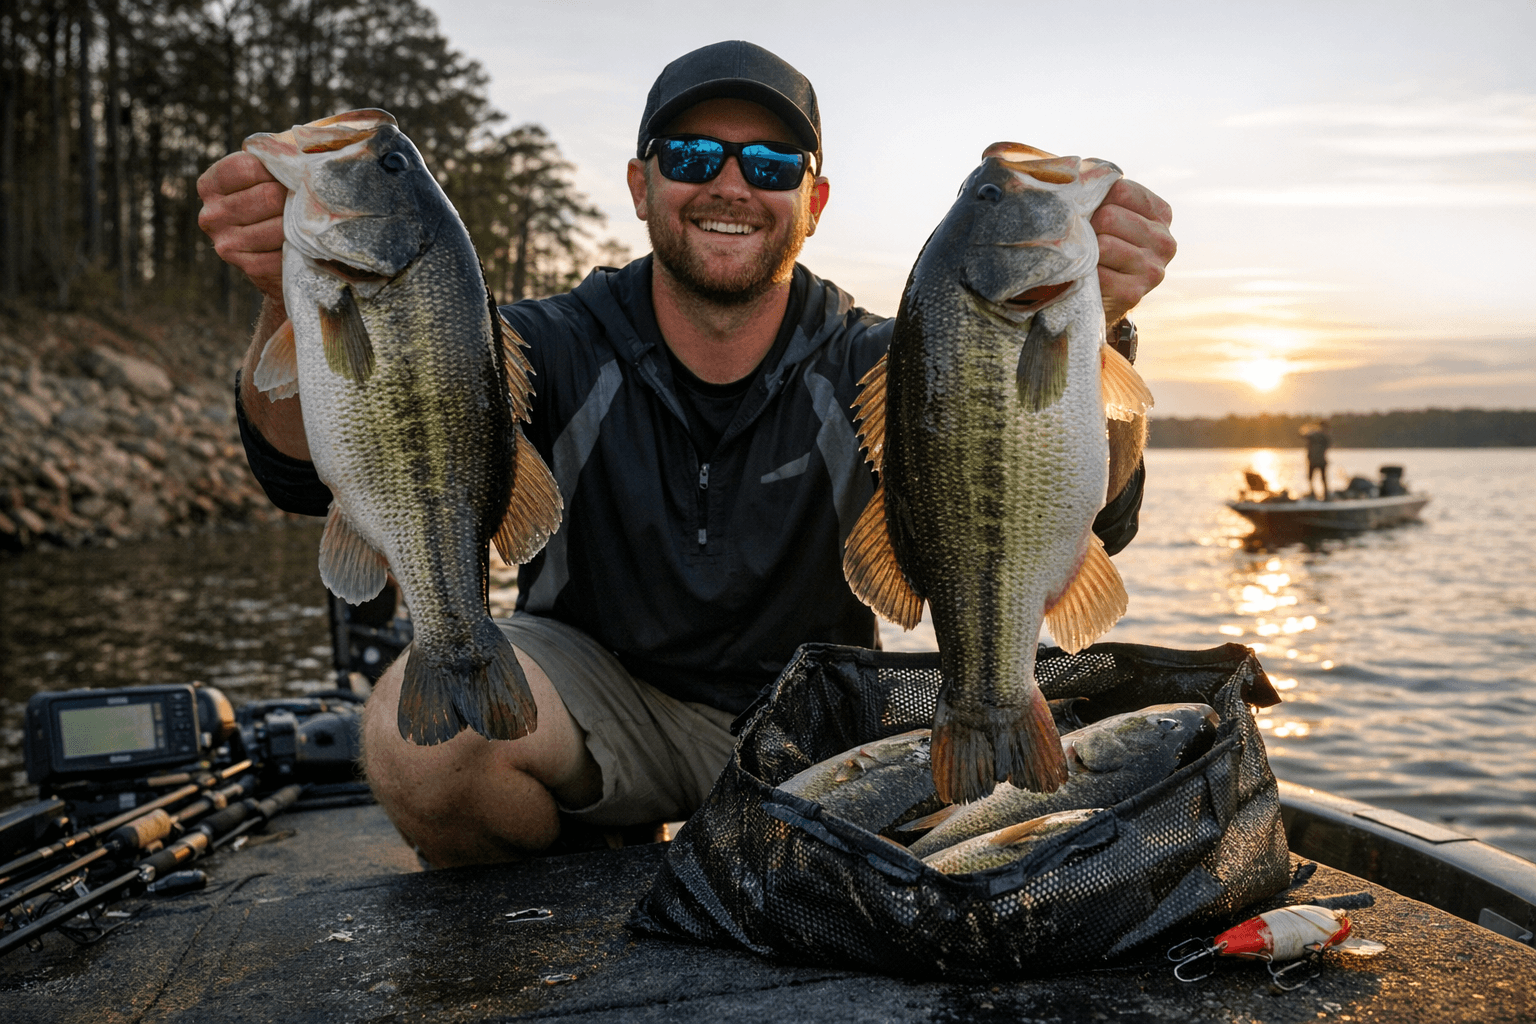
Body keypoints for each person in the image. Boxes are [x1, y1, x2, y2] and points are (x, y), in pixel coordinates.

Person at [196, 41, 1177, 867]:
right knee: (423, 749)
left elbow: (1109, 516)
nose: (730, 185)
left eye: (772, 165)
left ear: (816, 200)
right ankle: (573, 898)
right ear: (640, 182)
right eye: (693, 153)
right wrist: (290, 305)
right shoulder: (546, 342)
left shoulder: (891, 355)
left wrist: (1105, 334)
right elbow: (295, 472)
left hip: (815, 714)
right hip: (598, 703)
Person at [1302, 419, 1331, 499]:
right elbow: (1303, 435)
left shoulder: (1324, 437)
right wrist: (1309, 430)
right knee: (1310, 478)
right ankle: (1312, 493)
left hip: (1321, 461)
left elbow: (1326, 442)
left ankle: (1326, 495)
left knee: (1323, 479)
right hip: (1313, 461)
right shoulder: (1313, 435)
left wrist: (1312, 431)